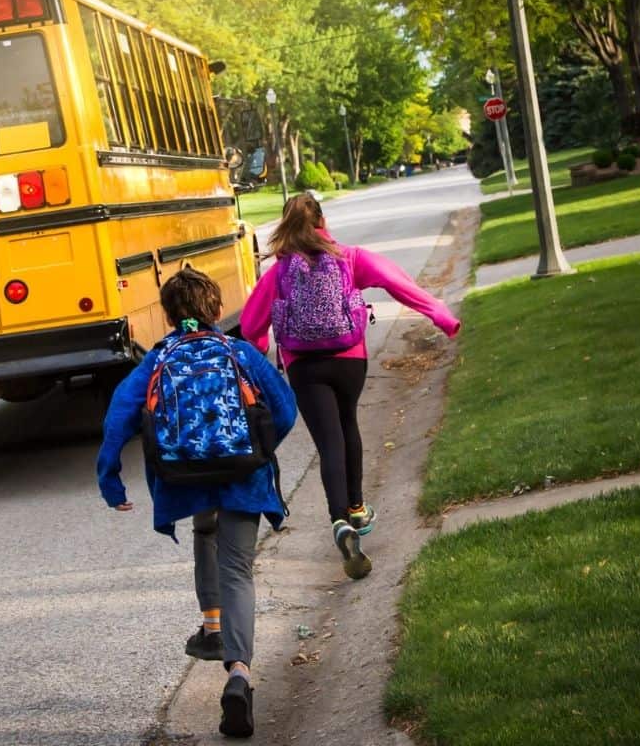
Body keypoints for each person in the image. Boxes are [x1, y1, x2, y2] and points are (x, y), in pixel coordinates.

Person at [97, 267, 297, 738]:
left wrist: (111, 479)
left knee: (203, 527)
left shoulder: (158, 359)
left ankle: (211, 625)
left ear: (168, 315)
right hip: (242, 474)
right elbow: (284, 409)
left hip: (183, 476)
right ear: (213, 308)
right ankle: (240, 674)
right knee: (238, 571)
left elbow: (119, 417)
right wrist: (257, 449)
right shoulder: (239, 352)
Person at [240, 193, 460, 579]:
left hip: (303, 366)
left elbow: (251, 325)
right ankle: (357, 507)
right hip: (348, 360)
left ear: (286, 225)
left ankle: (338, 520)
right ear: (322, 220)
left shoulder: (279, 272)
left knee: (328, 443)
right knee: (348, 426)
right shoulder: (350, 258)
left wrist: (260, 348)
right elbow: (397, 282)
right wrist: (440, 315)